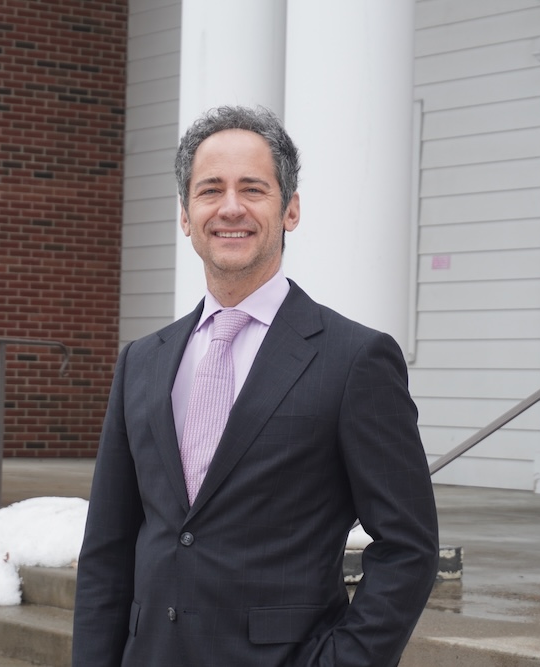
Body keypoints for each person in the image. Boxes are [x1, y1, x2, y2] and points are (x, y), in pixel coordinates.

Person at [73, 105, 439, 667]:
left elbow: (408, 548)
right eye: (210, 190)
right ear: (186, 214)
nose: (231, 208)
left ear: (290, 209)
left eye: (253, 189)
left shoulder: (355, 359)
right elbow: (108, 547)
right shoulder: (142, 362)